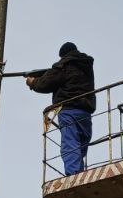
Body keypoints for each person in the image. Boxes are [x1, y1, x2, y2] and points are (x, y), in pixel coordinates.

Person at [26, 42, 95, 176]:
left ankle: (74, 175)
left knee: (70, 144)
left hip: (69, 110)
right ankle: (79, 174)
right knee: (80, 146)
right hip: (85, 112)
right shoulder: (85, 66)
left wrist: (33, 82)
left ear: (63, 55)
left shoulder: (64, 65)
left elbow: (45, 84)